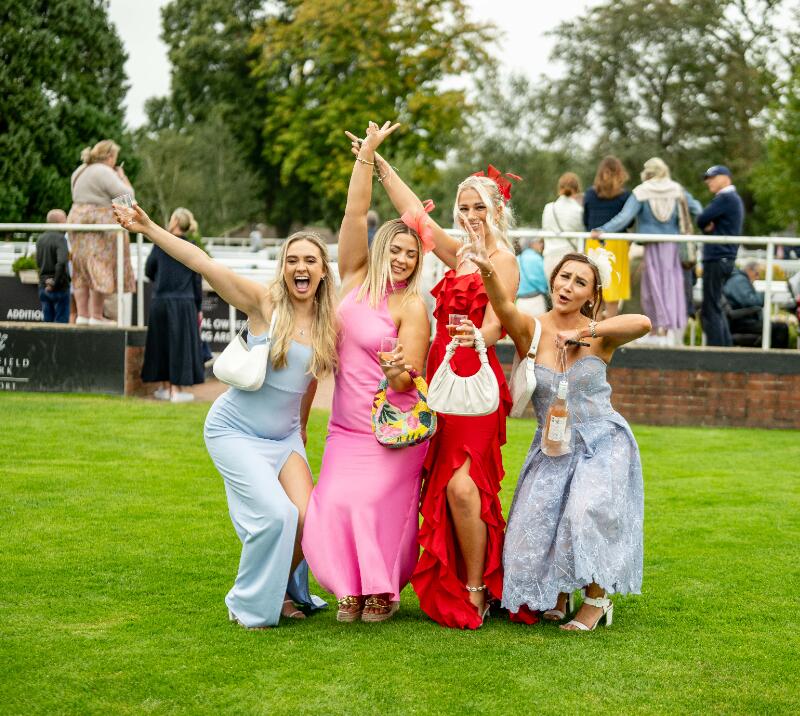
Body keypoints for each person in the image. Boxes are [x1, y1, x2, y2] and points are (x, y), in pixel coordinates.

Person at [114, 201, 338, 629]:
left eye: (310, 260)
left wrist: (303, 428)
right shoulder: (264, 303)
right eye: (292, 260)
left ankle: (280, 592)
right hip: (234, 431)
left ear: (323, 270)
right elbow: (201, 261)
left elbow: (308, 383)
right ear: (283, 267)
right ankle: (247, 601)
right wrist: (149, 228)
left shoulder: (330, 324)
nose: (300, 267)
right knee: (278, 515)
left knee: (310, 519)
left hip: (285, 437)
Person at [364, 146, 520, 629]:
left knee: (464, 487)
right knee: (444, 485)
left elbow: (500, 323)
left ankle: (478, 586)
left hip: (474, 381)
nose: (470, 216)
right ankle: (456, 581)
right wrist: (379, 164)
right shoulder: (456, 253)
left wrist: (478, 336)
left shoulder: (503, 259)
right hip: (441, 381)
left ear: (497, 210)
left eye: (479, 207)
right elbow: (414, 216)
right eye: (464, 208)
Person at [470, 238, 651, 631]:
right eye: (564, 277)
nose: (568, 286)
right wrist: (488, 271)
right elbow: (502, 308)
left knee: (585, 511)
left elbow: (643, 323)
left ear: (591, 294)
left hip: (602, 440)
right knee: (530, 531)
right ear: (553, 282)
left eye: (580, 282)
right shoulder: (531, 331)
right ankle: (559, 592)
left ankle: (597, 601)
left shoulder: (601, 334)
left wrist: (586, 333)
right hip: (552, 445)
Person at [302, 122, 431, 623]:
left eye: (410, 255)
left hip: (393, 431)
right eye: (396, 250)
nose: (401, 260)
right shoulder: (353, 276)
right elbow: (354, 211)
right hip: (344, 428)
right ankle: (350, 589)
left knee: (376, 506)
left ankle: (380, 591)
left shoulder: (412, 306)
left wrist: (398, 370)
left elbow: (411, 380)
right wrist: (368, 158)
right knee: (333, 502)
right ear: (380, 249)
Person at [591, 158, 702, 346]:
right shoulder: (677, 189)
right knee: (671, 286)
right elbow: (697, 209)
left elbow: (624, 217)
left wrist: (603, 230)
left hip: (651, 246)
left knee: (653, 287)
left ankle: (656, 331)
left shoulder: (642, 191)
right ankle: (669, 333)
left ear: (647, 173)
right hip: (673, 246)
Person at [68, 140, 136, 325]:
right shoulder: (103, 171)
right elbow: (127, 195)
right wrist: (121, 176)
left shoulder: (80, 170)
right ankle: (96, 316)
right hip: (98, 223)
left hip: (75, 220)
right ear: (109, 156)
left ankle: (83, 315)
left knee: (81, 268)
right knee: (100, 266)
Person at [141, 208, 205, 403]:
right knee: (180, 346)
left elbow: (149, 270)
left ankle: (165, 388)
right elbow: (197, 280)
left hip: (160, 301)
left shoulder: (160, 245)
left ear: (175, 221)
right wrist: (198, 306)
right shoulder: (192, 246)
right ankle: (176, 391)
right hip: (184, 303)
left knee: (161, 344)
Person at [697, 165, 744, 347]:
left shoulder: (725, 198)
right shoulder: (731, 199)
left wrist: (708, 225)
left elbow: (702, 218)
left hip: (718, 257)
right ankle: (725, 349)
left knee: (711, 308)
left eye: (712, 177)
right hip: (723, 257)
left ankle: (718, 353)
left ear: (725, 178)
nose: (709, 181)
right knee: (715, 305)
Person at [583, 156, 633, 317]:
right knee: (614, 293)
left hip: (594, 243)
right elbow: (628, 222)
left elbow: (586, 220)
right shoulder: (625, 196)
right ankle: (610, 335)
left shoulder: (590, 194)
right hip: (617, 244)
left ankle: (594, 333)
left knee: (595, 291)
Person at [723, 261, 789, 348]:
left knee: (777, 326)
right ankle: (776, 359)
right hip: (741, 322)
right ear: (749, 270)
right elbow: (751, 302)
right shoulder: (739, 280)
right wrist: (765, 295)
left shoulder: (739, 279)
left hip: (741, 320)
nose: (757, 277)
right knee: (781, 327)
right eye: (756, 273)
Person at [542, 173, 584, 280]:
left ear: (559, 188)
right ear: (577, 189)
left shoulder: (548, 208)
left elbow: (545, 229)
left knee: (554, 295)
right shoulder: (578, 211)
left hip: (549, 258)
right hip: (570, 258)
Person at [36, 209, 71, 323]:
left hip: (43, 285)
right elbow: (61, 262)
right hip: (59, 286)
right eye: (65, 219)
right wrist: (54, 282)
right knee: (61, 325)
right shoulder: (61, 239)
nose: (67, 222)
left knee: (47, 323)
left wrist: (45, 281)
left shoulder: (40, 239)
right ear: (59, 222)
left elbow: (38, 262)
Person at [516, 237, 549, 316]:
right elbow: (545, 281)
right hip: (536, 300)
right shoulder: (538, 258)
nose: (542, 245)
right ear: (533, 244)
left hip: (520, 302)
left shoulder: (517, 259)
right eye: (540, 242)